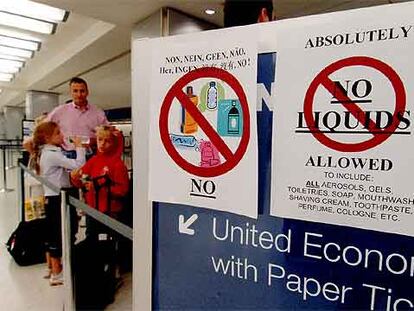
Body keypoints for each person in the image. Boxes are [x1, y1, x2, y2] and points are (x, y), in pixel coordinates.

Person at [30, 121, 86, 286]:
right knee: (61, 233)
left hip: (52, 197)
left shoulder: (45, 152)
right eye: (57, 133)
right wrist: (79, 147)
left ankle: (55, 269)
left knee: (55, 233)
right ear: (47, 138)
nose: (61, 135)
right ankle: (57, 272)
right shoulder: (52, 154)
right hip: (57, 198)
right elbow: (78, 165)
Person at [70, 125, 129, 238]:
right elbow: (81, 181)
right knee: (92, 242)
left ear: (114, 143)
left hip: (110, 213)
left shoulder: (118, 165)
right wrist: (74, 177)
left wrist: (99, 187)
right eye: (100, 140)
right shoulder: (93, 160)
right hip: (92, 211)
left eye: (107, 141)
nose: (102, 144)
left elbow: (122, 190)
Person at [47, 77, 109, 158]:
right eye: (75, 91)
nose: (79, 95)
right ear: (71, 93)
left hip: (90, 155)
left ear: (87, 92)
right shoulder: (60, 111)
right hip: (68, 156)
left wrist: (94, 140)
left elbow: (108, 134)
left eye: (82, 91)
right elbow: (44, 128)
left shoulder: (98, 112)